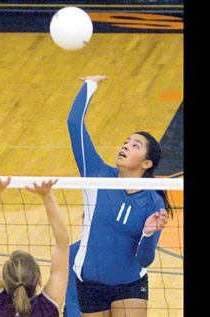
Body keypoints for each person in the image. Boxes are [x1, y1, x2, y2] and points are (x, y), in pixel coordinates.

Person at [67, 75, 171, 317]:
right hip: (90, 283)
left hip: (130, 284)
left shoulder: (153, 200)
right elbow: (74, 124)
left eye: (135, 145)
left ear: (146, 163)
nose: (125, 146)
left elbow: (145, 259)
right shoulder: (96, 173)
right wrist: (90, 85)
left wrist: (147, 233)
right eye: (126, 142)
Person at [0, 172, 69, 317]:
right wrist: (47, 197)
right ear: (38, 278)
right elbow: (63, 243)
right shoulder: (46, 308)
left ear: (5, 279)